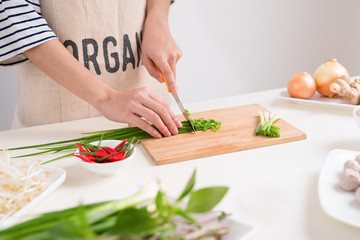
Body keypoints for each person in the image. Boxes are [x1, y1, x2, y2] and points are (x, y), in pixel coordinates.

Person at [0, 0, 182, 139]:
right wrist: (106, 97)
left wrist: (158, 19)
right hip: (60, 132)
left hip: (146, 129)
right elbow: (15, 15)